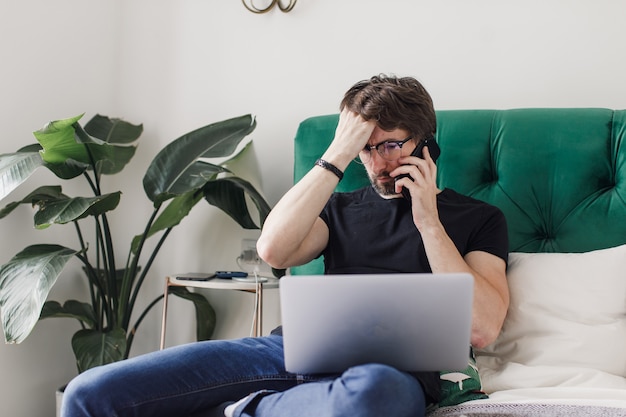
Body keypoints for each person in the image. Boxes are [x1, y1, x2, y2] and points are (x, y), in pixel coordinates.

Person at [61, 74, 509, 417]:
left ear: (427, 146)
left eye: (392, 144)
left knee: (373, 396)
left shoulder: (478, 219)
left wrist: (427, 220)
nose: (380, 163)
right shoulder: (338, 209)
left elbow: (482, 328)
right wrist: (336, 154)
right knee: (89, 394)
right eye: (367, 150)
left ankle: (243, 410)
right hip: (293, 351)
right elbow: (272, 250)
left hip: (393, 371)